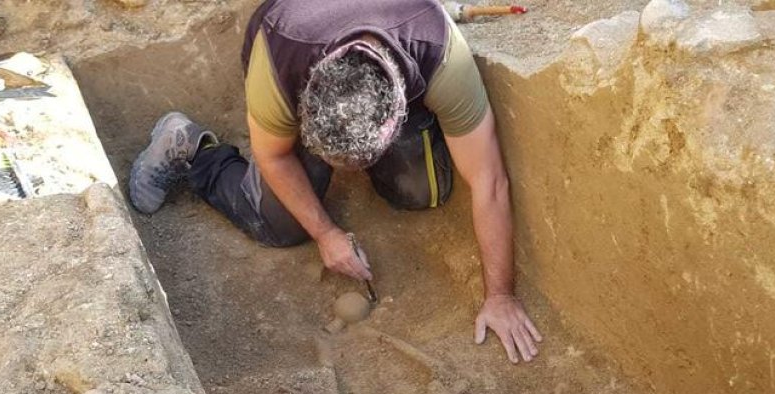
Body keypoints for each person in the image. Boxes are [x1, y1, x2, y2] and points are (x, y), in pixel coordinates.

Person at [128, 0, 542, 363]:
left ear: (397, 113)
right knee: (280, 224)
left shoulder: (440, 54)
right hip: (296, 43)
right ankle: (193, 149)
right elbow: (274, 154)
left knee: (421, 191)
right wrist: (325, 233)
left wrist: (500, 296)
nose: (341, 174)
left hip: (393, 68)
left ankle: (370, 151)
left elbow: (489, 181)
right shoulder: (279, 61)